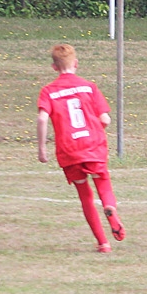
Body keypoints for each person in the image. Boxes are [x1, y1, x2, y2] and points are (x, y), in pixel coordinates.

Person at [37, 44, 124, 253]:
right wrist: (94, 129)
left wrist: (42, 149)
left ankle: (103, 243)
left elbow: (42, 118)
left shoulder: (49, 91)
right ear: (76, 63)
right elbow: (106, 119)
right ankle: (110, 207)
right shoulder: (88, 87)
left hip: (69, 149)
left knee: (85, 196)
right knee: (103, 183)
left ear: (54, 67)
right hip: (93, 144)